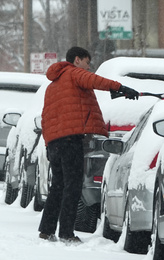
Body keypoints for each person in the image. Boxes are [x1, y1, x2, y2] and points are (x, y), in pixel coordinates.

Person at [38, 46, 139, 243]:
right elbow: (95, 81)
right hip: (70, 140)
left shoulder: (53, 86)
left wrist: (48, 143)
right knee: (73, 187)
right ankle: (66, 233)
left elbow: (46, 116)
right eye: (87, 62)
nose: (88, 67)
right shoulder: (74, 74)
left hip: (54, 143)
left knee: (58, 186)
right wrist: (120, 87)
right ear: (77, 60)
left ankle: (46, 229)